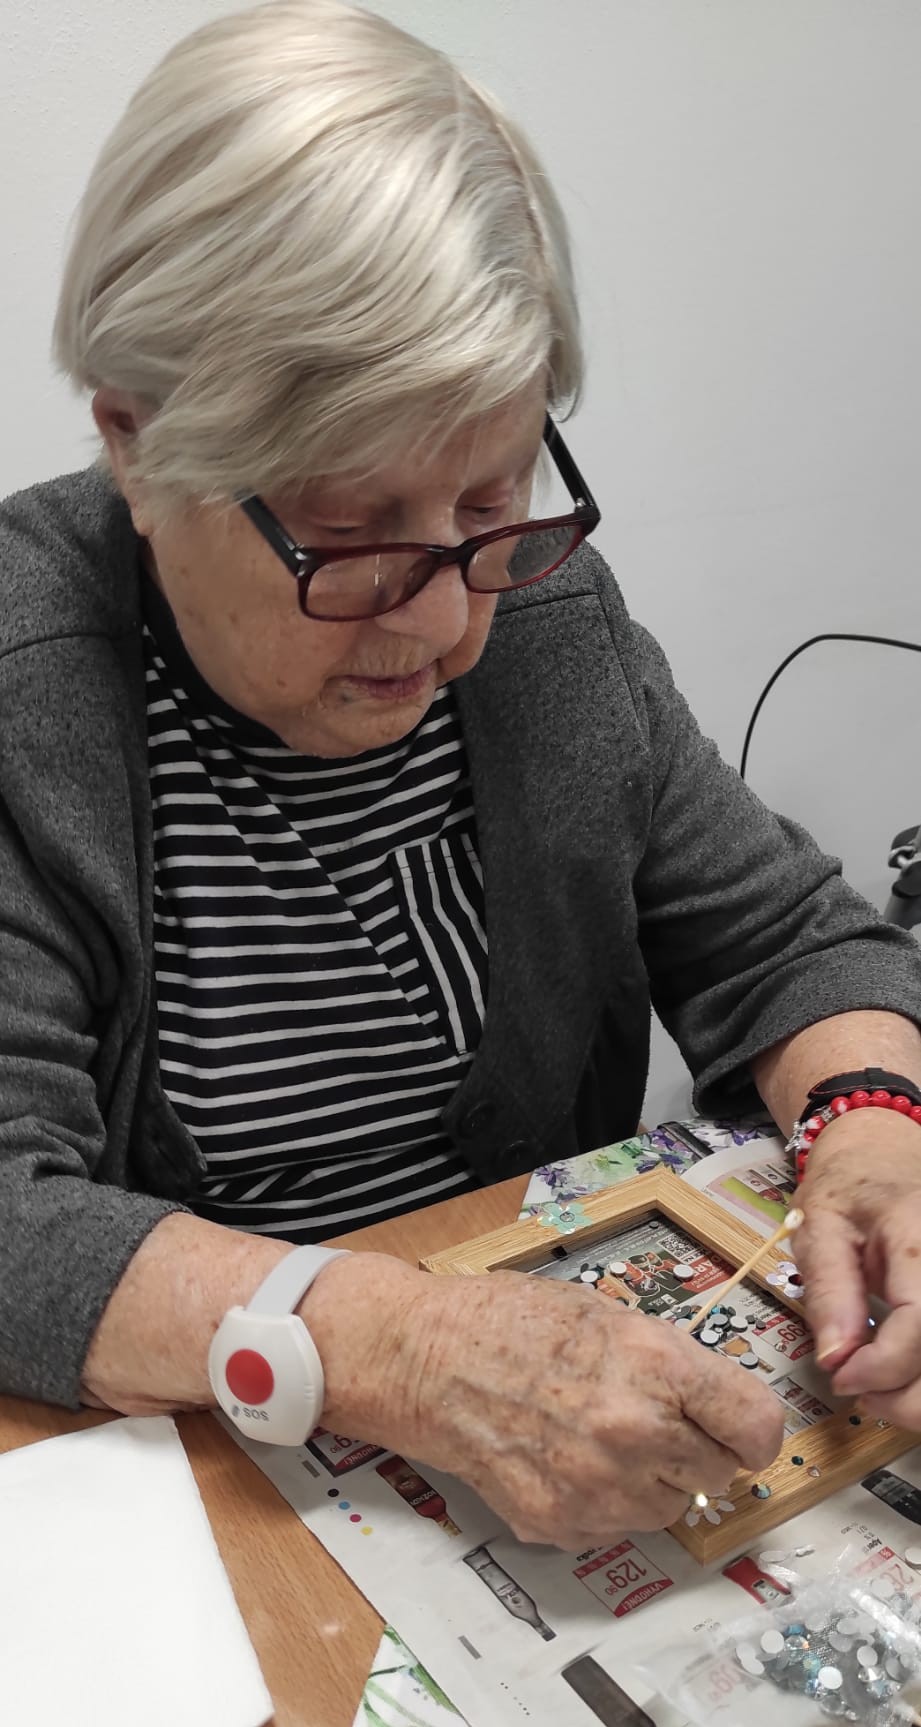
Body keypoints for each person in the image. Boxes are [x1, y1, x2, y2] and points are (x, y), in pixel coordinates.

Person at [2, 0, 921, 1554]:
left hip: (561, 1442)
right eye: (348, 535)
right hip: (201, 1489)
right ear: (137, 449)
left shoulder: (546, 618)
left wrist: (878, 1131)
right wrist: (397, 1346)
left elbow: (782, 939)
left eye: (489, 499)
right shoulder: (30, 698)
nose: (440, 624)